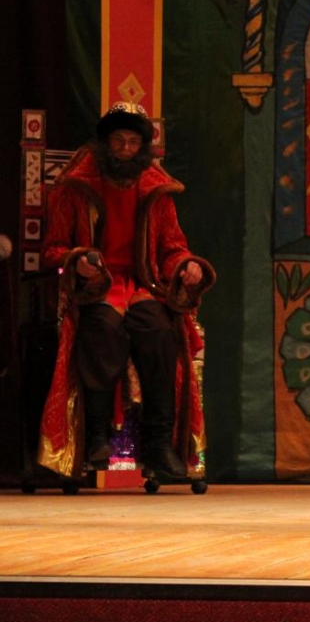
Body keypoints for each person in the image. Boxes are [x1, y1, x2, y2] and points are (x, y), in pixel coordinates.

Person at [37, 102, 215, 481]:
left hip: (143, 285)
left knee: (161, 332)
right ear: (105, 143)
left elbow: (172, 248)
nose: (125, 149)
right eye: (118, 140)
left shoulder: (156, 190)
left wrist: (187, 267)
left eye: (133, 142)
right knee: (101, 329)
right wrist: (77, 261)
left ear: (142, 147)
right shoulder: (77, 187)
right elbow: (53, 249)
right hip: (97, 287)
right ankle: (98, 438)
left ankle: (159, 446)